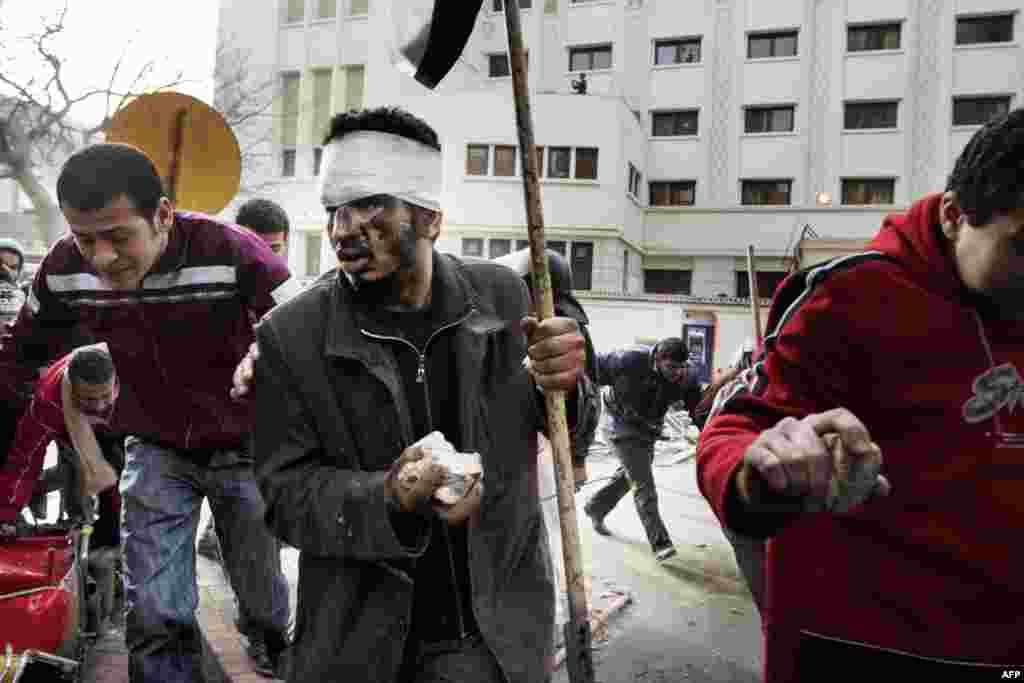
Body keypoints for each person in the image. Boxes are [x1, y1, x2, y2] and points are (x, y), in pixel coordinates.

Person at [230, 106, 593, 683]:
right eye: (333, 210)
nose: (343, 229)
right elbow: (283, 498)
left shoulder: (506, 298)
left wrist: (569, 384)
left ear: (429, 218)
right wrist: (391, 497)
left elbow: (566, 427)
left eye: (369, 205)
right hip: (359, 641)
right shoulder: (290, 335)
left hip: (493, 634)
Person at [697, 108, 1024, 680]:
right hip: (868, 645)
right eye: (1022, 247)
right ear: (953, 215)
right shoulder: (850, 296)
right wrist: (768, 471)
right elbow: (732, 431)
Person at [0, 142, 296, 681]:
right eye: (86, 238)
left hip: (244, 444)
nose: (103, 257)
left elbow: (304, 329)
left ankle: (273, 640)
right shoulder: (66, 269)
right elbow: (17, 363)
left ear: (161, 214)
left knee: (263, 600)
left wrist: (265, 354)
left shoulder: (232, 250)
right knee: (157, 611)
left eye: (118, 237)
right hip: (155, 448)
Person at [197, 197, 291, 560]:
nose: (262, 258)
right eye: (252, 247)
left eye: (273, 249)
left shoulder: (291, 296)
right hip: (228, 425)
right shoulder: (217, 296)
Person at [583, 338, 703, 562]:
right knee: (644, 485)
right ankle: (661, 543)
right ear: (657, 360)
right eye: (670, 368)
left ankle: (595, 507)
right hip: (619, 425)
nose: (676, 373)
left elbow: (698, 411)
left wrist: (707, 433)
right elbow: (588, 367)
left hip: (648, 430)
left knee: (630, 477)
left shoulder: (687, 378)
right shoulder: (628, 360)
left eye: (681, 367)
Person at [0, 343, 119, 535]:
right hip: (72, 424)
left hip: (124, 419)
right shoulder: (48, 402)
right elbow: (24, 458)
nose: (98, 406)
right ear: (72, 389)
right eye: (89, 399)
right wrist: (6, 513)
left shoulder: (135, 372)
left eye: (104, 396)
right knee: (87, 471)